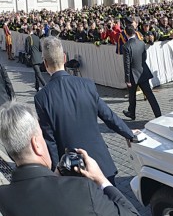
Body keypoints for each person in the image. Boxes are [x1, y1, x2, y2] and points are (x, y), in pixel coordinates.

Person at [0, 102, 140, 216]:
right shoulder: (83, 189)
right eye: (42, 136)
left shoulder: (4, 196)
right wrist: (101, 180)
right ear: (36, 144)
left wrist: (53, 177)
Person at [34, 36, 140, 184]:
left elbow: (50, 140)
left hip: (73, 171)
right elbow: (108, 116)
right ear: (64, 58)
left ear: (45, 64)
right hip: (100, 163)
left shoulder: (42, 97)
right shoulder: (87, 84)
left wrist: (57, 172)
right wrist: (128, 134)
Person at [122, 21, 162, 121]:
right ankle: (158, 114)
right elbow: (144, 57)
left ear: (126, 34)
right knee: (150, 95)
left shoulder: (126, 46)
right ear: (135, 32)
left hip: (132, 74)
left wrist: (127, 79)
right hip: (143, 72)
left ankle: (132, 113)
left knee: (132, 96)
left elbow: (126, 64)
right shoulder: (141, 43)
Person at [25, 26, 47, 91]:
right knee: (37, 73)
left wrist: (28, 55)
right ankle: (37, 87)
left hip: (33, 58)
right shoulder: (37, 38)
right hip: (39, 57)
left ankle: (45, 85)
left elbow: (27, 49)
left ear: (28, 31)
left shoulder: (28, 38)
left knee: (38, 73)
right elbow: (40, 48)